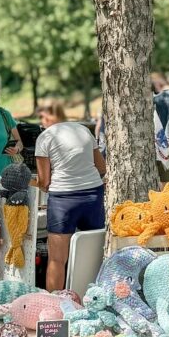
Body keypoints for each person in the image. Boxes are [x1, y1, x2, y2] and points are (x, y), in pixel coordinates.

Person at [34, 100, 106, 290]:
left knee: (57, 259)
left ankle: (54, 303)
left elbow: (44, 182)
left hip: (63, 200)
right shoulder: (83, 130)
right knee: (94, 255)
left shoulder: (44, 137)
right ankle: (94, 297)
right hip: (93, 196)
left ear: (47, 118)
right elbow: (101, 167)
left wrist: (35, 183)